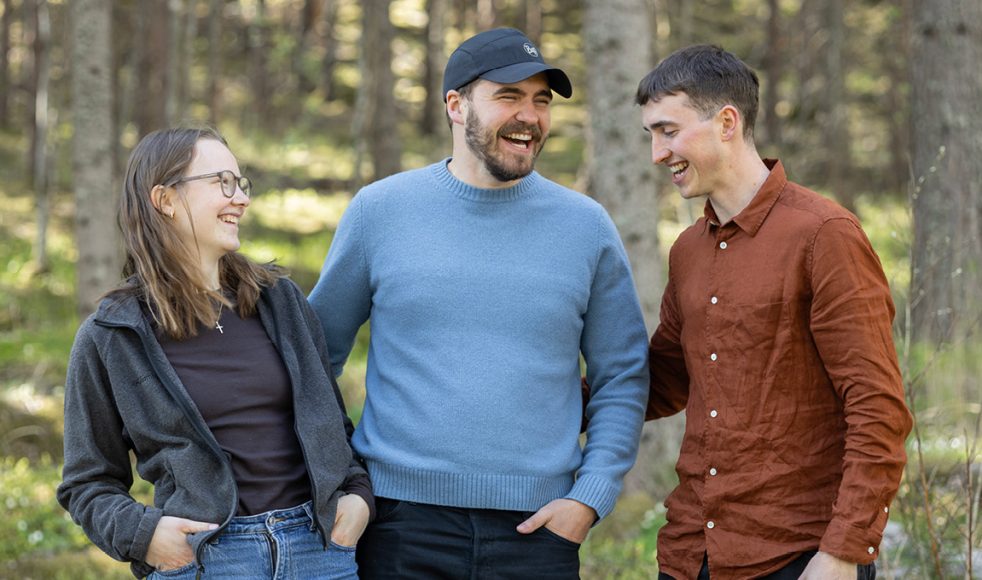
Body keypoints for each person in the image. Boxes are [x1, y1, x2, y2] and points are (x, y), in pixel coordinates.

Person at [308, 27, 649, 578]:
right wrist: (347, 479)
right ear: (456, 105)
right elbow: (312, 360)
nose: (530, 116)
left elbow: (624, 375)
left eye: (542, 101)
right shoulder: (380, 212)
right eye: (508, 96)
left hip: (539, 531)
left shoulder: (586, 227)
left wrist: (591, 496)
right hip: (398, 525)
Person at [638, 45, 913, 579]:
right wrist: (554, 398)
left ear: (726, 122)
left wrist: (842, 552)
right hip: (692, 553)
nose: (656, 153)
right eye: (650, 134)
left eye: (668, 131)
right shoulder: (688, 250)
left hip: (797, 556)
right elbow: (664, 380)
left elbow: (878, 408)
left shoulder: (823, 236)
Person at [57, 127, 372, 579]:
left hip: (318, 550)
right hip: (207, 560)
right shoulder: (113, 335)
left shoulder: (281, 303)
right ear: (165, 199)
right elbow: (88, 482)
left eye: (241, 184)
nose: (240, 199)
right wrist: (146, 537)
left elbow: (331, 426)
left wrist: (357, 497)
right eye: (222, 182)